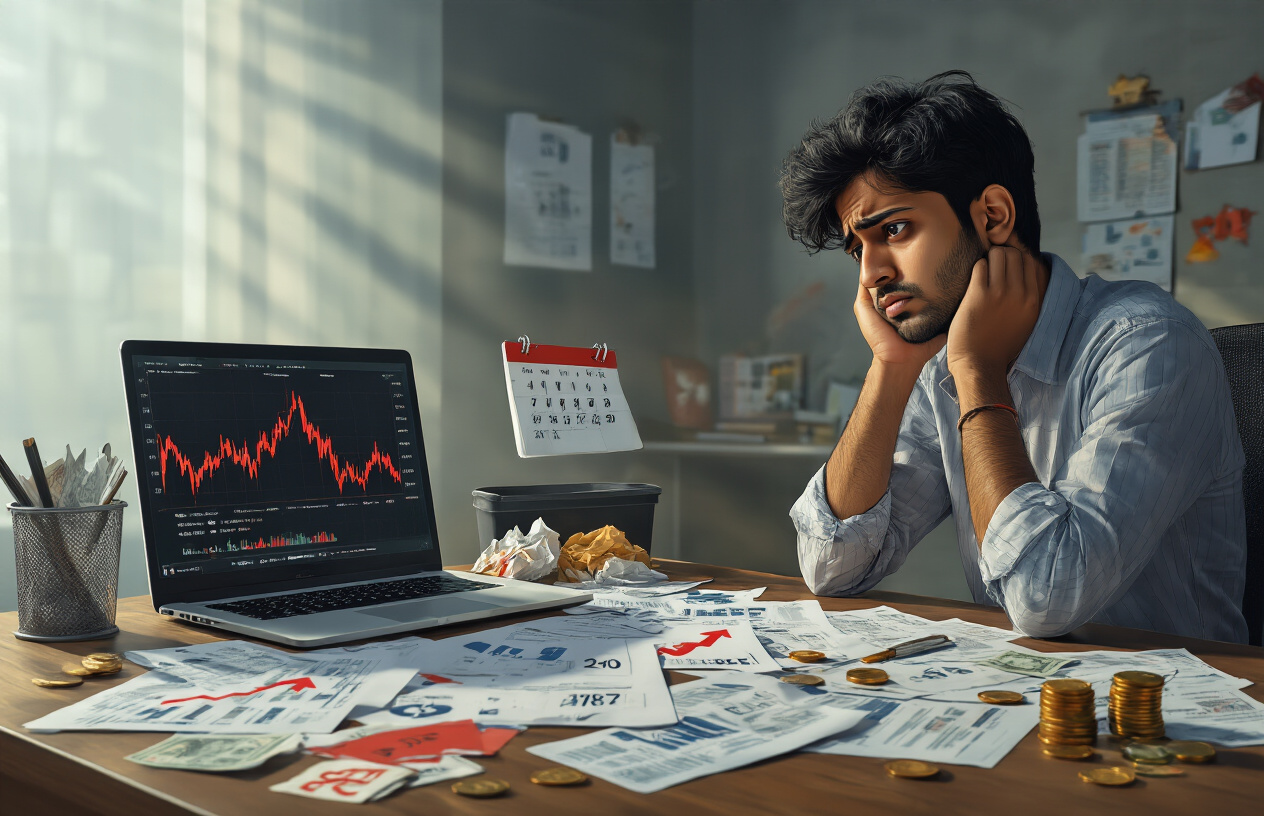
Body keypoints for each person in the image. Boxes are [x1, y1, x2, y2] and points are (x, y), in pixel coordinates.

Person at [780, 70, 1248, 643]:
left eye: (895, 230)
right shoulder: (935, 369)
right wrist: (892, 366)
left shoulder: (1148, 344)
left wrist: (978, 371)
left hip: (1182, 707)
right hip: (1026, 693)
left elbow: (1046, 598)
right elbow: (833, 566)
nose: (871, 274)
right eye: (859, 249)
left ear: (994, 217)